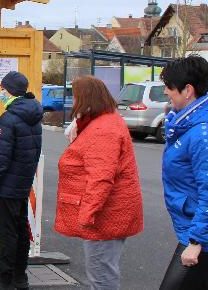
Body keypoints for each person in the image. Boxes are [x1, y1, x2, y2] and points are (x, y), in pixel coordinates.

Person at [158, 56, 208, 289]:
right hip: (202, 230)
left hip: (206, 236)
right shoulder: (188, 124)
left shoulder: (205, 136)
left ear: (188, 90)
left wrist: (196, 241)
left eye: (169, 87)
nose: (165, 92)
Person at [54, 76, 143, 290]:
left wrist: (87, 215)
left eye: (75, 96)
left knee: (101, 275)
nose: (73, 102)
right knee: (101, 271)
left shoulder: (103, 129)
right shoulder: (104, 122)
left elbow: (101, 178)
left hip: (105, 217)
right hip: (106, 214)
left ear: (86, 98)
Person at [0, 71, 43, 290]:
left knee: (5, 234)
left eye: (2, 89)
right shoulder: (34, 115)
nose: (0, 93)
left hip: (7, 187)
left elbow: (1, 159)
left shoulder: (9, 118)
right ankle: (20, 277)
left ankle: (6, 279)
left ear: (9, 91)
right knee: (19, 230)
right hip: (22, 183)